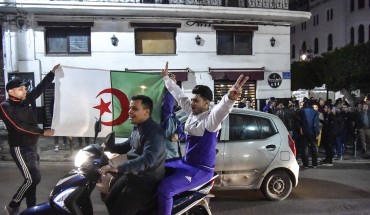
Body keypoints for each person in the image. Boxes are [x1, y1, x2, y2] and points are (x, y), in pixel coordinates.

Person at [157, 62, 248, 215]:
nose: (192, 103)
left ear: (206, 103)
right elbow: (180, 96)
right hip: (185, 163)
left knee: (165, 190)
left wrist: (229, 98)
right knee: (156, 169)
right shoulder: (193, 112)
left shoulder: (210, 121)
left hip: (200, 170)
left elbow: (221, 110)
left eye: (196, 101)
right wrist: (167, 79)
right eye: (192, 100)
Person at [0, 64, 59, 215]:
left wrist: (51, 74)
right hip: (20, 147)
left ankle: (31, 209)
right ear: (11, 91)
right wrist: (42, 132)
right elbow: (17, 125)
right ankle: (13, 205)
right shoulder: (5, 106)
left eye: (25, 89)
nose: (24, 91)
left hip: (32, 146)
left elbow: (39, 89)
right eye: (21, 89)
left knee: (32, 181)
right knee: (32, 178)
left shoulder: (24, 101)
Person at [99, 95, 167, 215]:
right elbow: (128, 145)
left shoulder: (154, 132)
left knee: (120, 211)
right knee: (109, 202)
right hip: (132, 175)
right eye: (130, 108)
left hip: (145, 180)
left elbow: (148, 160)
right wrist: (108, 147)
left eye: (134, 109)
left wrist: (118, 167)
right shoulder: (138, 128)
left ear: (146, 112)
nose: (129, 112)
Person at [161, 74, 186, 159]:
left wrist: (178, 136)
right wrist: (171, 83)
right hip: (165, 159)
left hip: (175, 156)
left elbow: (182, 134)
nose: (176, 100)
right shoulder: (164, 115)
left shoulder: (173, 116)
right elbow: (167, 104)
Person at [298, 100, 320, 168]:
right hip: (312, 132)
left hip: (304, 131)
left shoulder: (301, 111)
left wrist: (300, 128)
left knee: (304, 148)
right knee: (314, 147)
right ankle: (314, 163)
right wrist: (317, 133)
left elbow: (299, 121)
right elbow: (315, 123)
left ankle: (305, 164)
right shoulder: (315, 112)